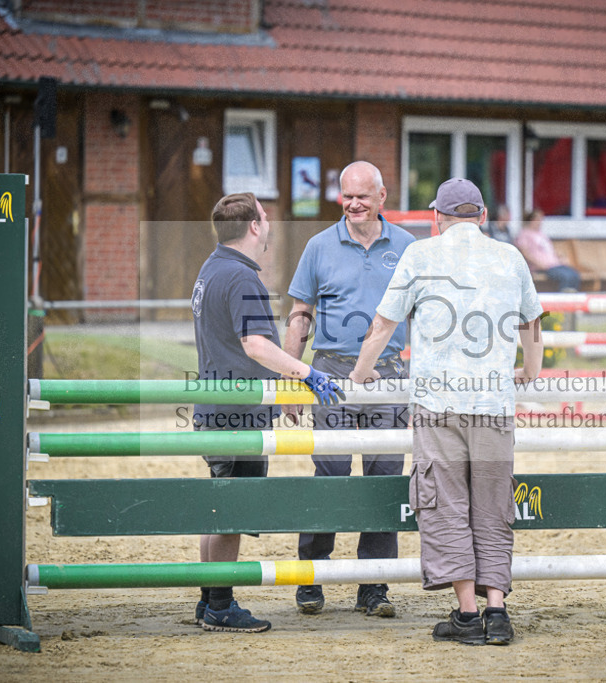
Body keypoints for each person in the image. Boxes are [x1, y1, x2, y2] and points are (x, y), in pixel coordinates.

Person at [350, 178, 544, 646]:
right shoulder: (510, 257)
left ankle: (466, 613)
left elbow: (383, 323)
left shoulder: (420, 255)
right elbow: (532, 324)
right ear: (481, 216)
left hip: (439, 406)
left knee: (446, 505)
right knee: (494, 507)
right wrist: (529, 374)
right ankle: (497, 612)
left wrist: (360, 372)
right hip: (494, 405)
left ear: (438, 217)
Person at [191, 192, 345, 633]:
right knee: (233, 512)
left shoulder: (211, 267)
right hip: (237, 413)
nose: (269, 223)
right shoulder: (242, 278)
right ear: (254, 227)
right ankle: (220, 605)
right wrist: (306, 373)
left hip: (216, 405)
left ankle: (209, 600)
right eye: (265, 216)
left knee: (220, 507)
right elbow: (256, 344)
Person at [284, 160, 416, 617]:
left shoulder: (408, 247)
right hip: (329, 376)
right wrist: (289, 380)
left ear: (383, 196)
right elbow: (300, 315)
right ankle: (311, 578)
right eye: (347, 196)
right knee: (331, 475)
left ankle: (374, 588)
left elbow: (427, 319)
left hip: (389, 377)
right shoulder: (319, 246)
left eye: (363, 195)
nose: (354, 203)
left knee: (383, 482)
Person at [514, 209, 581, 291]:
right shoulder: (524, 234)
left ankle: (572, 299)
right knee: (566, 277)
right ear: (532, 220)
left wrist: (559, 256)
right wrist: (539, 264)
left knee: (574, 274)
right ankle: (563, 300)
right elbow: (524, 253)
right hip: (542, 267)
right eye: (538, 219)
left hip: (554, 264)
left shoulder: (541, 234)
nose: (540, 222)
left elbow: (548, 250)